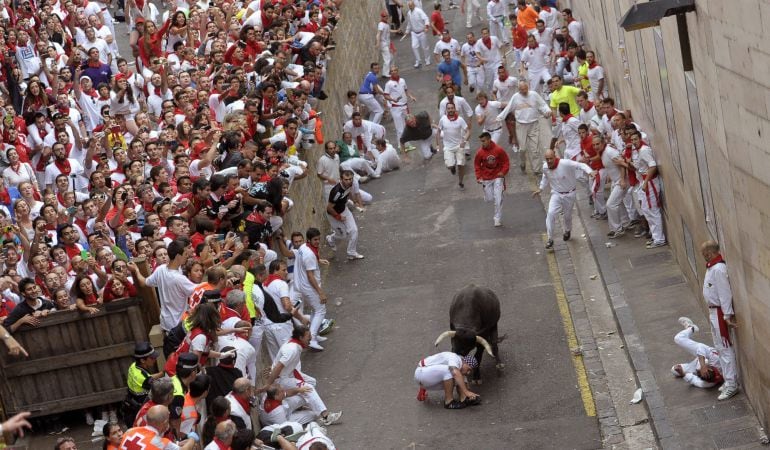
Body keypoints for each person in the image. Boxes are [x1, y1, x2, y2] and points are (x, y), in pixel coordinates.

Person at [265, 326, 343, 426]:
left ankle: (302, 406)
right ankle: (325, 416)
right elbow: (278, 367)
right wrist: (268, 384)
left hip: (287, 374)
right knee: (308, 388)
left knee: (311, 382)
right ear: (301, 338)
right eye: (308, 336)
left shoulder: (294, 345)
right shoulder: (292, 349)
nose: (310, 338)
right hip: (281, 379)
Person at [533, 149, 596, 249]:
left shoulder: (565, 163)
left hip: (569, 194)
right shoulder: (545, 167)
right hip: (556, 194)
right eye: (547, 159)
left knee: (567, 216)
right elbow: (545, 177)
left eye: (550, 158)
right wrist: (540, 189)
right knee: (550, 213)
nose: (549, 161)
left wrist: (590, 171)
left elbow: (580, 165)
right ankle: (550, 239)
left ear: (555, 157)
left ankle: (567, 230)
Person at [701, 240, 739, 400]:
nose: (704, 257)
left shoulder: (718, 269)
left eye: (705, 254)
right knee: (719, 346)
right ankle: (727, 378)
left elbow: (725, 293)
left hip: (719, 313)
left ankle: (732, 384)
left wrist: (727, 315)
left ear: (710, 253)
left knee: (724, 348)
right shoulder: (712, 268)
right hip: (713, 312)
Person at [499, 80, 552, 174]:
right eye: (522, 89)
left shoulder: (534, 95)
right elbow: (509, 108)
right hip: (521, 126)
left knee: (535, 149)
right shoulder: (515, 97)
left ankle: (537, 170)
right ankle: (523, 162)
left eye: (525, 89)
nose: (524, 91)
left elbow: (543, 104)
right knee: (522, 148)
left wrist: (547, 111)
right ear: (519, 89)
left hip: (534, 124)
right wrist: (500, 117)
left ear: (528, 87)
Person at [145, 238, 196, 333]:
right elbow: (198, 292)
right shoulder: (179, 278)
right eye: (185, 254)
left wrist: (136, 271)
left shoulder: (160, 269)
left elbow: (145, 282)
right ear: (177, 256)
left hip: (166, 322)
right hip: (178, 324)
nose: (187, 256)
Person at [629, 130, 667, 249]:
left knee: (652, 210)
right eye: (632, 140)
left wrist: (645, 182)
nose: (634, 142)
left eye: (636, 139)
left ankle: (659, 239)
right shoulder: (639, 150)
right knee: (646, 209)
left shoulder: (644, 150)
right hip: (644, 182)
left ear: (640, 138)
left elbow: (653, 166)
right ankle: (655, 236)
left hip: (649, 183)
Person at [414, 351, 480, 409]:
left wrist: (469, 394)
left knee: (460, 375)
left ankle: (464, 399)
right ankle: (449, 402)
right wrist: (466, 391)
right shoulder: (455, 358)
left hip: (426, 380)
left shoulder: (459, 365)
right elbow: (454, 372)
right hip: (421, 373)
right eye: (468, 369)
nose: (468, 373)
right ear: (464, 362)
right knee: (451, 371)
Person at [671, 317, 723, 389]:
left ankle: (691, 367)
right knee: (678, 338)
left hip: (696, 363)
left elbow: (694, 381)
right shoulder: (716, 360)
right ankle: (691, 327)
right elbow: (701, 347)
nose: (698, 372)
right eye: (701, 373)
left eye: (699, 375)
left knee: (674, 370)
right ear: (710, 368)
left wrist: (682, 373)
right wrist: (703, 365)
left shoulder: (709, 383)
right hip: (704, 356)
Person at [120, 404, 198, 449]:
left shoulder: (129, 431)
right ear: (165, 423)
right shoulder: (160, 442)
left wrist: (178, 444)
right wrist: (192, 438)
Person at [474, 132, 510, 227]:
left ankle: (497, 218)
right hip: (486, 178)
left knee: (498, 198)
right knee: (490, 198)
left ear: (489, 140)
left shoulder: (499, 150)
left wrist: (503, 172)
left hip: (498, 177)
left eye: (484, 141)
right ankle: (488, 193)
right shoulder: (480, 153)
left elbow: (506, 162)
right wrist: (479, 177)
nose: (482, 143)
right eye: (481, 141)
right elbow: (477, 165)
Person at [326, 170, 364, 260]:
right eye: (346, 179)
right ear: (341, 179)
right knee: (342, 235)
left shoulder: (351, 184)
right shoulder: (336, 192)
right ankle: (330, 239)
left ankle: (351, 252)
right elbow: (329, 208)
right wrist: (338, 217)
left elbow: (349, 192)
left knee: (354, 230)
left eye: (350, 179)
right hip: (333, 215)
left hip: (344, 210)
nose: (349, 181)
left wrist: (354, 201)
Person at [123, 342, 161, 426]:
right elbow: (159, 388)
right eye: (152, 358)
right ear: (143, 360)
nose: (155, 359)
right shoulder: (142, 378)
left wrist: (162, 373)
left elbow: (149, 377)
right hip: (139, 410)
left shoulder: (133, 366)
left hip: (131, 403)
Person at [438, 103, 471, 189]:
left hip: (459, 146)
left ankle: (460, 182)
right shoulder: (443, 119)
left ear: (455, 109)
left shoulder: (460, 119)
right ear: (446, 110)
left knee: (461, 165)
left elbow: (468, 131)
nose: (451, 110)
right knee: (450, 165)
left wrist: (464, 141)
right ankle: (452, 168)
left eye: (452, 108)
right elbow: (438, 131)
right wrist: (438, 144)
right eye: (449, 108)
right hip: (448, 147)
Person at [405, 1, 431, 68]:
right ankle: (418, 61)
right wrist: (407, 30)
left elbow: (426, 19)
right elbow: (409, 23)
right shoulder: (408, 13)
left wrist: (427, 27)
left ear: (414, 5)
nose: (410, 7)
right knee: (414, 46)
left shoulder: (419, 11)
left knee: (425, 47)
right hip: (414, 33)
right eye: (409, 5)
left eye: (411, 5)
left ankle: (427, 59)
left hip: (422, 32)